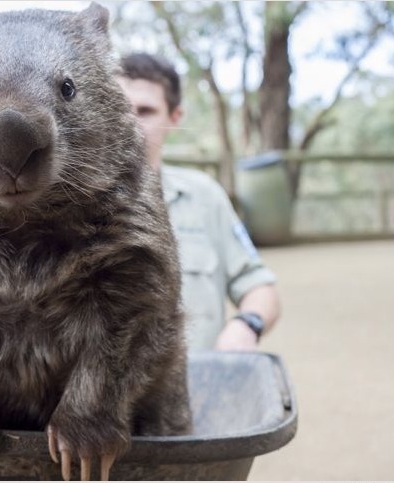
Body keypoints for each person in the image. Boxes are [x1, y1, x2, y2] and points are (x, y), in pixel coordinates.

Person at [119, 52, 282, 355]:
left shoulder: (205, 196)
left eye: (146, 111)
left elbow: (260, 288)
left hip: (202, 387)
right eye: (120, 109)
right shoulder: (69, 205)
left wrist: (246, 326)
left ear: (174, 117)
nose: (131, 123)